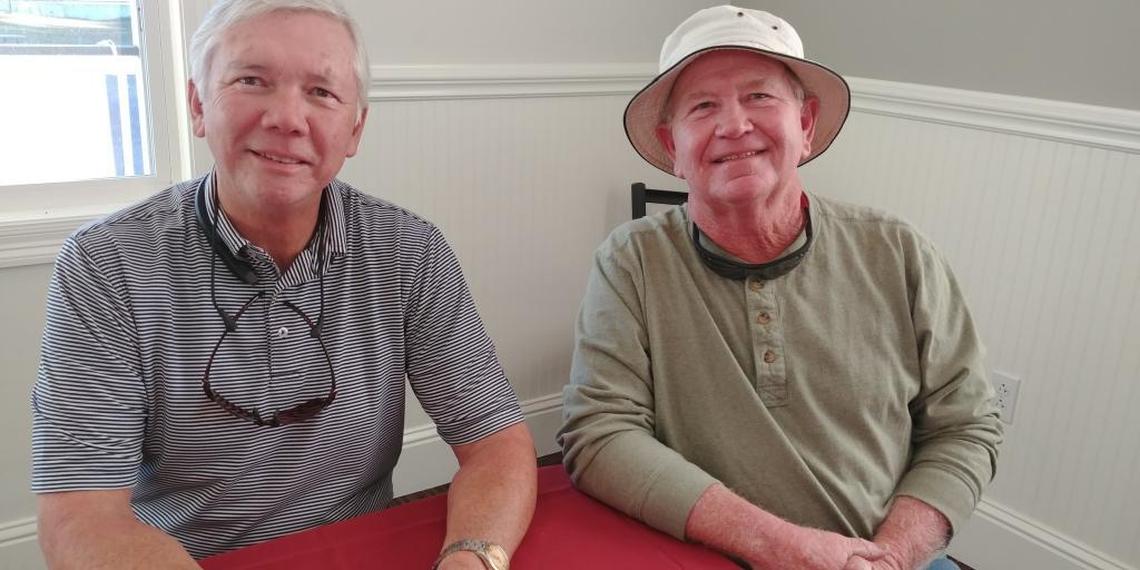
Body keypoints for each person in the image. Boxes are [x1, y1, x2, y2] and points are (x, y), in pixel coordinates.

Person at [31, 1, 535, 568]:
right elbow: (81, 512)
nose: (288, 118)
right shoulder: (106, 262)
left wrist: (471, 558)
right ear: (199, 106)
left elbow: (496, 445)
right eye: (252, 80)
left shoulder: (408, 249)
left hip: (360, 547)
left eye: (321, 92)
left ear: (355, 128)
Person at [558, 6, 1002, 570]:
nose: (735, 125)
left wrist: (891, 556)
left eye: (760, 97)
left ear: (806, 124)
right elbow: (599, 433)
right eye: (703, 106)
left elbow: (966, 424)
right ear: (673, 146)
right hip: (713, 555)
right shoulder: (631, 262)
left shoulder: (897, 251)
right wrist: (783, 548)